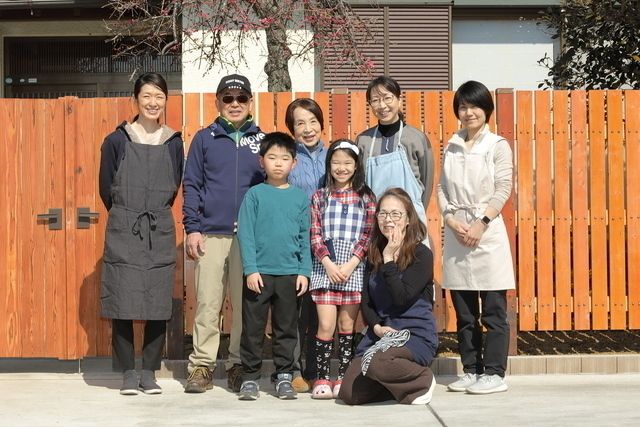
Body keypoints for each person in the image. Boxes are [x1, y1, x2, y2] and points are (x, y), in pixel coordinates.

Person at [98, 72, 184, 395]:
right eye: (146, 95)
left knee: (157, 301)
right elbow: (106, 188)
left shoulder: (173, 142)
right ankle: (127, 373)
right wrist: (127, 213)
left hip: (158, 227)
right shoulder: (117, 140)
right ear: (135, 99)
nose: (152, 102)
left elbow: (173, 187)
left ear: (165, 101)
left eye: (159, 96)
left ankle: (149, 371)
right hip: (125, 225)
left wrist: (153, 211)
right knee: (123, 299)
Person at [182, 74, 265, 393]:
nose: (234, 104)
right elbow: (192, 184)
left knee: (245, 305)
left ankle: (237, 365)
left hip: (249, 237)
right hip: (211, 235)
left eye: (241, 98)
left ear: (250, 102)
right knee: (207, 302)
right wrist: (193, 228)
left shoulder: (262, 141)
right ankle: (201, 366)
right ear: (217, 102)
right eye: (228, 98)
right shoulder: (205, 139)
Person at [437, 80, 515, 395]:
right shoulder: (451, 144)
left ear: (487, 109)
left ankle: (494, 373)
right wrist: (450, 219)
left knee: (494, 310)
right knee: (465, 312)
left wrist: (482, 222)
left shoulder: (497, 145)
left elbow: (503, 187)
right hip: (457, 230)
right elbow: (442, 188)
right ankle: (471, 369)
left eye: (475, 106)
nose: (469, 112)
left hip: (488, 231)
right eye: (463, 107)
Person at [338, 188, 438, 405]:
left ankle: (422, 379)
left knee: (378, 363)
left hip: (413, 333)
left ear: (408, 219)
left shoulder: (422, 255)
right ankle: (396, 385)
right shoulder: (373, 254)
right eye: (382, 214)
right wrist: (376, 327)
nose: (388, 219)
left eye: (395, 214)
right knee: (349, 394)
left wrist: (389, 259)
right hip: (382, 335)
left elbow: (401, 297)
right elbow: (367, 302)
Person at [236, 132, 312, 400]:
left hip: (290, 275)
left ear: (294, 163)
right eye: (272, 158)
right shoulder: (254, 195)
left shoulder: (300, 198)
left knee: (286, 329)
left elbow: (305, 237)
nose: (278, 163)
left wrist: (304, 271)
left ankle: (284, 377)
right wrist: (250, 269)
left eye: (284, 158)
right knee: (253, 329)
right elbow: (245, 234)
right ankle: (250, 378)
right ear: (262, 161)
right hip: (259, 275)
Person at [309, 139, 376, 400]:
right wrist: (327, 262)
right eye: (336, 162)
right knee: (326, 325)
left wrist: (351, 264)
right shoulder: (320, 196)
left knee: (347, 324)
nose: (341, 168)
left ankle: (344, 377)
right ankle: (322, 377)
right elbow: (315, 233)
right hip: (324, 267)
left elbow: (368, 234)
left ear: (356, 165)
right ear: (329, 165)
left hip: (353, 268)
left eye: (347, 162)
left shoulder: (366, 197)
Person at [284, 98, 328, 392]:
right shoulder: (288, 159)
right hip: (296, 245)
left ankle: (316, 369)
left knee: (320, 310)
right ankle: (294, 370)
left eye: (313, 121)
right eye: (300, 123)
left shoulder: (334, 156)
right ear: (292, 129)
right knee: (296, 312)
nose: (308, 128)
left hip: (327, 247)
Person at [356, 76, 435, 238]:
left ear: (399, 99)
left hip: (411, 222)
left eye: (387, 98)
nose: (382, 105)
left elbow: (426, 182)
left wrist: (413, 215)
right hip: (376, 225)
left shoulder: (416, 138)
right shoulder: (363, 141)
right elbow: (359, 184)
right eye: (375, 100)